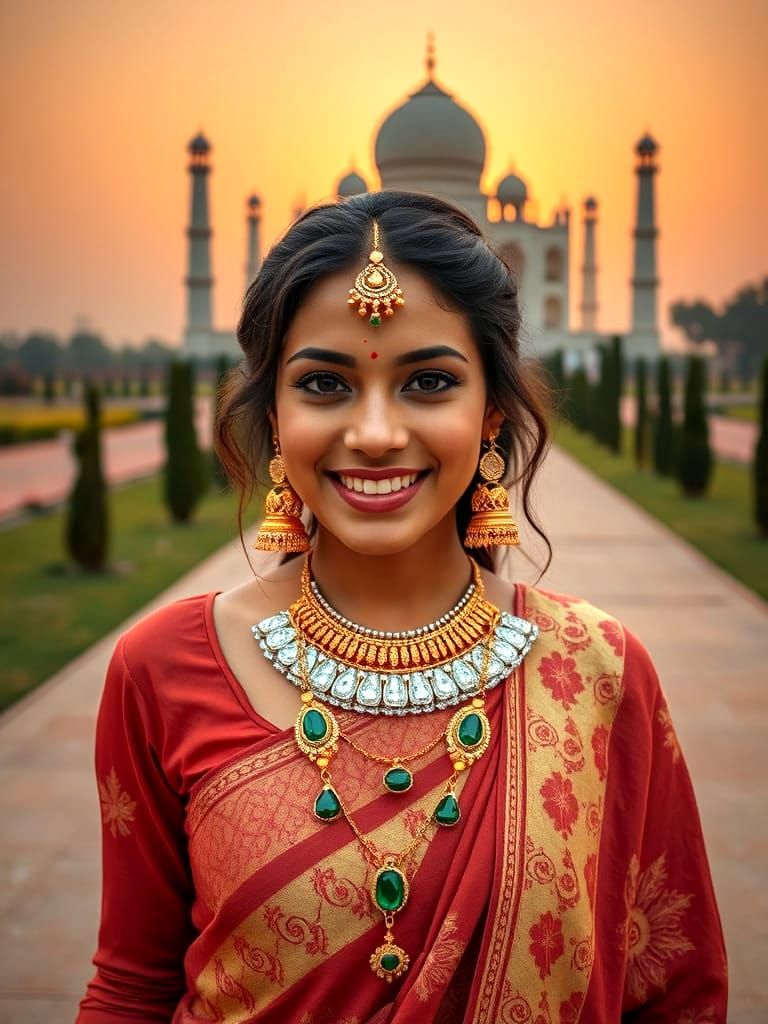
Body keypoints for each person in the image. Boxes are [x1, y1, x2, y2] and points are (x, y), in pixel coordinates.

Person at [77, 191, 727, 1023]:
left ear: (491, 408)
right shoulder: (164, 668)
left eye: (427, 381)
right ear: (274, 415)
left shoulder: (598, 671)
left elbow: (675, 991)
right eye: (324, 383)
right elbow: (131, 988)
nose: (377, 432)